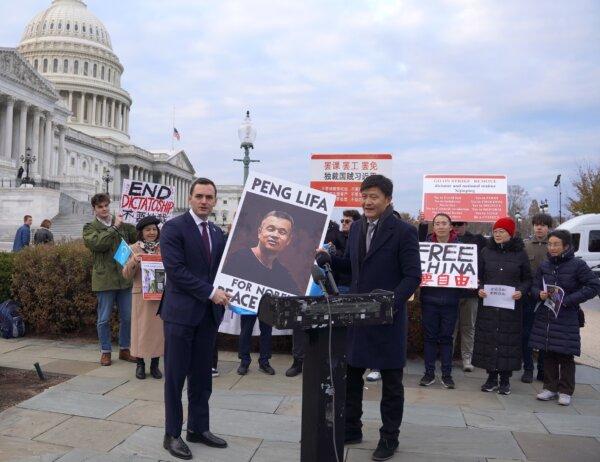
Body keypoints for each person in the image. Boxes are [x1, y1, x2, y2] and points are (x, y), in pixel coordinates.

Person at [322, 174, 422, 462]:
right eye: (364, 195)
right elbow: (355, 270)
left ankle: (389, 437)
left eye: (374, 196)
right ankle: (352, 428)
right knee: (352, 376)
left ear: (388, 199)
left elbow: (412, 276)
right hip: (357, 315)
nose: (367, 201)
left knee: (391, 383)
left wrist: (389, 302)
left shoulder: (404, 231)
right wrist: (330, 260)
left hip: (387, 318)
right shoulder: (356, 229)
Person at [159, 178, 231, 460]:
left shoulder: (216, 231)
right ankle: (172, 434)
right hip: (180, 315)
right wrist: (212, 292)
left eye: (209, 197)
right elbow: (176, 270)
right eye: (199, 196)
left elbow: (228, 267)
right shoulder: (174, 228)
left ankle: (199, 428)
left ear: (214, 201)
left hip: (207, 317)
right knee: (175, 377)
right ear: (190, 198)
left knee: (202, 377)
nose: (204, 201)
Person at [285, 209, 362, 378]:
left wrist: (333, 254)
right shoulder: (324, 235)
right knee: (301, 322)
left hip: (338, 288)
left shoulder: (352, 237)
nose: (343, 224)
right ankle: (298, 361)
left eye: (347, 221)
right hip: (312, 285)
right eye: (342, 221)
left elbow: (348, 263)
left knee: (331, 329)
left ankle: (330, 362)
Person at [529, 230, 600, 406]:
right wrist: (540, 294)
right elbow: (534, 286)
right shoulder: (545, 265)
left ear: (566, 246)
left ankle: (566, 390)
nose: (552, 248)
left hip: (567, 314)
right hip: (547, 313)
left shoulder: (578, 265)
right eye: (550, 244)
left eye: (556, 244)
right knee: (548, 351)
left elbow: (593, 286)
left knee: (565, 353)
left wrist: (568, 300)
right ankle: (550, 387)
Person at [474, 217, 532, 396]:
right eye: (495, 231)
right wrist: (480, 288)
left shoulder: (520, 254)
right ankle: (491, 377)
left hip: (511, 307)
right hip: (489, 306)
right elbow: (478, 276)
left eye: (502, 232)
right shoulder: (485, 252)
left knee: (508, 342)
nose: (498, 235)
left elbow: (528, 279)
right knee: (489, 339)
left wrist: (521, 291)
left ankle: (505, 380)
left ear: (510, 233)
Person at [83, 193, 137, 366]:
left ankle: (124, 349)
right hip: (104, 279)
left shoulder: (122, 223)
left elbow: (136, 238)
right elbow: (98, 244)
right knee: (104, 318)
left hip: (124, 278)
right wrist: (114, 228)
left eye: (106, 205)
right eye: (100, 207)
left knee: (127, 317)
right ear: (94, 209)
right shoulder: (89, 227)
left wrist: (138, 220)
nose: (104, 209)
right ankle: (105, 351)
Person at [419, 213, 463, 389]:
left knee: (446, 338)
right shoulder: (426, 247)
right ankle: (429, 373)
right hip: (429, 299)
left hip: (451, 300)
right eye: (437, 223)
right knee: (429, 338)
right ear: (433, 227)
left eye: (444, 223)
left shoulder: (460, 248)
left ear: (451, 226)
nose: (441, 226)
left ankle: (447, 374)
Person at [122, 215, 164, 381]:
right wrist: (134, 261)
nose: (151, 232)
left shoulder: (164, 248)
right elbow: (125, 275)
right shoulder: (131, 248)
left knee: (158, 332)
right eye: (148, 230)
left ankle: (155, 364)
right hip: (141, 296)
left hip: (160, 295)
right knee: (140, 331)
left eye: (154, 229)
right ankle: (140, 364)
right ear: (141, 232)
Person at [222, 211, 299, 294]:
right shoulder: (239, 259)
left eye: (282, 232)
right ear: (259, 232)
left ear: (288, 240)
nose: (275, 235)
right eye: (270, 229)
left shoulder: (283, 275)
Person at [450, 221, 487, 372]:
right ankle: (448, 357)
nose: (456, 227)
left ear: (466, 224)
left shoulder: (478, 240)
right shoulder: (446, 240)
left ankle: (467, 358)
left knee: (468, 327)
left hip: (470, 292)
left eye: (459, 224)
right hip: (452, 292)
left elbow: (487, 260)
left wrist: (481, 281)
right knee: (451, 328)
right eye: (454, 224)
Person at [521, 213, 553, 383]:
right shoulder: (525, 246)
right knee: (527, 334)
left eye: (543, 225)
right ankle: (527, 368)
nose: (539, 228)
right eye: (537, 225)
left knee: (545, 335)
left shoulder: (554, 245)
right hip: (529, 297)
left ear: (549, 227)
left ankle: (542, 369)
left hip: (550, 298)